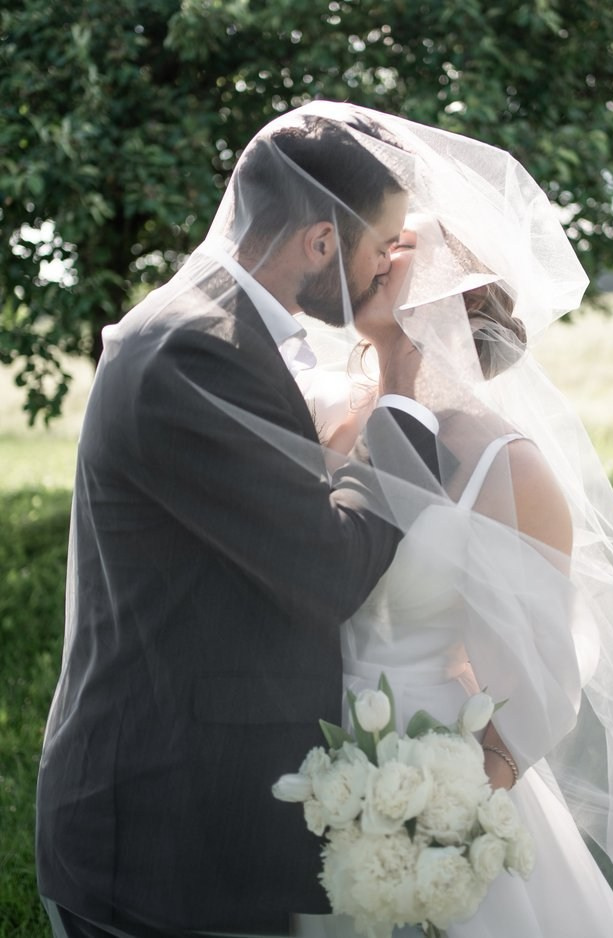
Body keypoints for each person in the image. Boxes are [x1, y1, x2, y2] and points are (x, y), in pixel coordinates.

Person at [248, 105, 613, 937]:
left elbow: (543, 678)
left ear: (451, 292)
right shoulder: (320, 410)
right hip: (293, 761)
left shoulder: (504, 464)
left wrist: (444, 804)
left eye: (404, 247)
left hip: (422, 777)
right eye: (384, 240)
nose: (380, 250)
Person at [35, 110, 444, 938]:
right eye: (379, 249)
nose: (384, 274)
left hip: (196, 817)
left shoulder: (223, 327)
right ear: (322, 244)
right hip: (159, 836)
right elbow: (331, 566)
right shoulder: (197, 349)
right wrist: (402, 376)